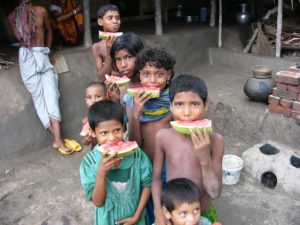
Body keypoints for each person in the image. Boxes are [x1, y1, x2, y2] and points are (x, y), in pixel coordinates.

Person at [152, 75, 224, 224]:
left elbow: (214, 192)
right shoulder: (163, 137)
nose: (186, 112)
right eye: (179, 104)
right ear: (170, 106)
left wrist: (205, 158)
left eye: (194, 104)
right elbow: (156, 179)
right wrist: (158, 211)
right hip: (174, 214)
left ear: (205, 105)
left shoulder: (216, 141)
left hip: (203, 212)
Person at [8, 0, 72, 154]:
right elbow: (19, 39)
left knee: (52, 94)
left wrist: (48, 51)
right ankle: (58, 138)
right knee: (38, 98)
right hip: (27, 58)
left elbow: (49, 30)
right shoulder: (14, 16)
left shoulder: (42, 11)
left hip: (42, 54)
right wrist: (23, 19)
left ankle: (58, 139)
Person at [79, 100, 152, 225]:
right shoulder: (89, 163)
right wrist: (101, 173)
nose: (112, 138)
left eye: (117, 130)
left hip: (137, 217)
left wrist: (137, 215)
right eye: (104, 133)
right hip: (107, 220)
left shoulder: (137, 155)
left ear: (123, 127)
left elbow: (147, 185)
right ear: (92, 132)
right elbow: (98, 202)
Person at [123, 48, 175, 162]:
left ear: (168, 75)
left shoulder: (175, 99)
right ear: (140, 76)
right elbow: (134, 143)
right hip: (144, 165)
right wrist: (136, 114)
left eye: (159, 74)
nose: (152, 80)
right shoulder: (131, 100)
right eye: (146, 74)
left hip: (171, 164)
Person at [92, 4, 121, 83]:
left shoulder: (126, 41)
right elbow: (101, 79)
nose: (115, 21)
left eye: (117, 18)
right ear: (100, 22)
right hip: (109, 89)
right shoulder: (97, 47)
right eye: (110, 18)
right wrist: (109, 53)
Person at [80, 82, 107, 148]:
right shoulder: (86, 121)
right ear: (85, 100)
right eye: (89, 97)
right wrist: (86, 141)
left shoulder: (111, 117)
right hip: (96, 153)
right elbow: (85, 141)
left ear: (106, 97)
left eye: (98, 96)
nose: (93, 100)